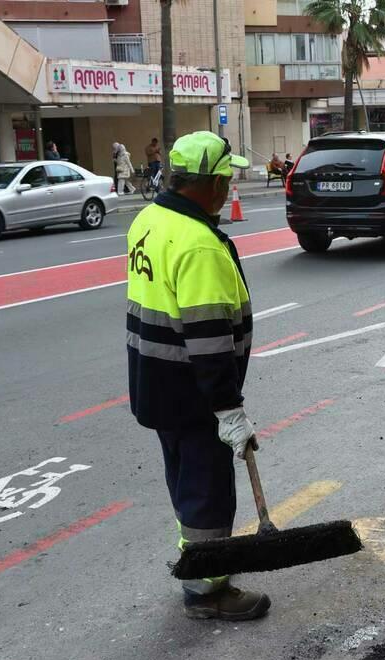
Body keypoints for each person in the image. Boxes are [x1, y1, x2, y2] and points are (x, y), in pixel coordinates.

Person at [124, 130, 268, 621]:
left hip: (155, 382)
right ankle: (208, 592)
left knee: (186, 482)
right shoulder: (199, 245)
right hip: (192, 392)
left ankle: (196, 567)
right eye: (226, 179)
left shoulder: (150, 218)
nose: (230, 189)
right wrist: (228, 410)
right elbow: (208, 340)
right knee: (208, 491)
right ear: (207, 184)